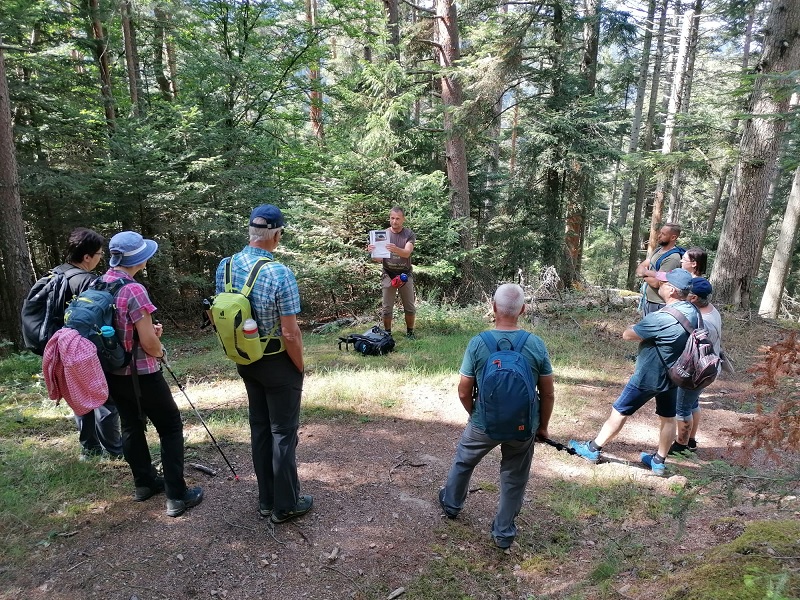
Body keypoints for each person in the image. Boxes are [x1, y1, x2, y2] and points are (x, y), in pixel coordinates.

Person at [438, 284, 555, 549]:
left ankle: (452, 504)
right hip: (523, 426)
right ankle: (503, 533)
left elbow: (464, 389)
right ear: (523, 310)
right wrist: (542, 427)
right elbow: (547, 394)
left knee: (464, 461)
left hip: (483, 423)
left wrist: (475, 414)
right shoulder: (535, 344)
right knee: (514, 477)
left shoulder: (478, 343)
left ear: (493, 308)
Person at [216, 205, 312, 524]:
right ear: (276, 235)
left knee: (260, 428)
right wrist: (299, 366)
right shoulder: (278, 273)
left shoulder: (225, 267)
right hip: (276, 362)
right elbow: (290, 332)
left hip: (245, 361)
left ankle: (266, 501)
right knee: (283, 432)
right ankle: (286, 505)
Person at [99, 231, 203, 517]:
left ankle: (144, 483)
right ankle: (177, 495)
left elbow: (124, 330)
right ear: (139, 259)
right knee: (170, 427)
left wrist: (147, 334)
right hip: (142, 374)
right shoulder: (133, 289)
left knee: (132, 426)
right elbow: (147, 342)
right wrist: (159, 349)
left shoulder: (101, 282)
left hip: (114, 373)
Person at [569, 268, 698, 476]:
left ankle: (593, 449)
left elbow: (628, 334)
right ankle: (659, 461)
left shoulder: (662, 318)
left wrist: (634, 325)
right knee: (668, 417)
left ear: (672, 290)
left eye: (664, 283)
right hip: (675, 374)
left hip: (648, 375)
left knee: (620, 410)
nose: (660, 284)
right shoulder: (693, 312)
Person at [61, 228, 123, 461]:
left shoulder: (58, 274)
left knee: (79, 397)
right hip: (85, 349)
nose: (101, 258)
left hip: (62, 346)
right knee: (104, 398)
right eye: (98, 253)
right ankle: (115, 451)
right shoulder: (88, 281)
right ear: (87, 256)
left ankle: (89, 448)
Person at [669, 277, 722, 455]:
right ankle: (691, 440)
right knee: (692, 404)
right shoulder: (711, 311)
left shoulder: (703, 322)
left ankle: (681, 445)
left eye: (686, 293)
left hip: (697, 371)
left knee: (682, 407)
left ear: (693, 298)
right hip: (707, 369)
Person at [367, 206, 417, 338]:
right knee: (387, 307)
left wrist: (395, 249)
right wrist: (372, 251)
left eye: (398, 219)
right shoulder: (382, 234)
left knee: (410, 306)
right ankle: (387, 334)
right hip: (388, 273)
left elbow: (406, 253)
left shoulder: (409, 234)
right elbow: (378, 259)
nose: (394, 221)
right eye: (392, 218)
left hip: (405, 274)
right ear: (389, 218)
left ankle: (410, 332)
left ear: (403, 219)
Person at [635, 223, 683, 315]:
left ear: (673, 238)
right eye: (660, 233)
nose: (659, 236)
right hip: (648, 299)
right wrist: (646, 273)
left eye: (663, 234)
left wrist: (644, 274)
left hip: (659, 303)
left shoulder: (673, 257)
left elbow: (657, 283)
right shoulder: (658, 251)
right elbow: (640, 267)